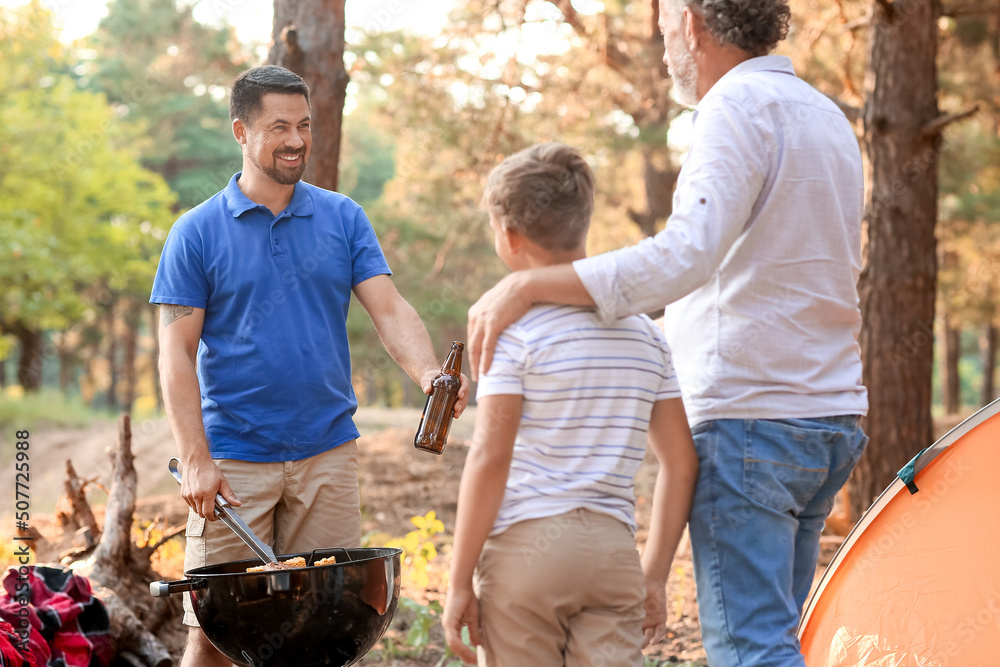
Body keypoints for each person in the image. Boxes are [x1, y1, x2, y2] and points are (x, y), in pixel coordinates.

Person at [465, 1, 869, 665]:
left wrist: (529, 284)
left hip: (753, 421)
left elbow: (687, 254)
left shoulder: (735, 108)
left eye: (665, 29)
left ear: (694, 26)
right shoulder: (824, 114)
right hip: (825, 420)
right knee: (777, 639)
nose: (662, 47)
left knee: (751, 649)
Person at [150, 65, 469, 667]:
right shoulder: (194, 233)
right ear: (242, 131)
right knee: (215, 632)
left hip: (326, 453)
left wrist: (429, 375)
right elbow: (175, 352)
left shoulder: (342, 218)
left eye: (304, 125)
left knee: (327, 626)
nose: (296, 139)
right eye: (279, 127)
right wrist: (195, 457)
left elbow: (389, 307)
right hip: (232, 463)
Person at [442, 142, 698, 666]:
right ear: (581, 225)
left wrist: (460, 579)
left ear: (509, 237)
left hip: (527, 555)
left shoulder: (508, 331)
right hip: (612, 555)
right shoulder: (647, 338)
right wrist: (652, 574)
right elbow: (680, 461)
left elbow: (490, 460)